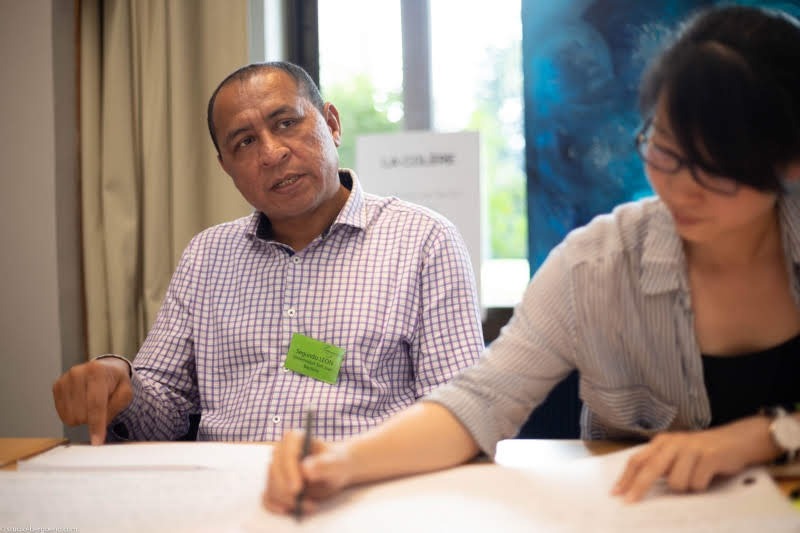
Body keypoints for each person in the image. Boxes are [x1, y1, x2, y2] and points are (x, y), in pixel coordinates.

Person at [263, 4, 800, 514]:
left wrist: (766, 436)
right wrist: (342, 461)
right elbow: (481, 399)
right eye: (665, 151)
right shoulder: (597, 265)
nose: (682, 187)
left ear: (790, 161)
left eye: (717, 168)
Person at [52, 61, 484, 444]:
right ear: (225, 166)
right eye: (244, 142)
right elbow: (163, 412)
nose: (272, 153)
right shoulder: (207, 257)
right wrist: (120, 384)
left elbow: (459, 411)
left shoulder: (423, 241)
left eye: (286, 123)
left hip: (363, 483)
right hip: (222, 487)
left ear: (332, 124)